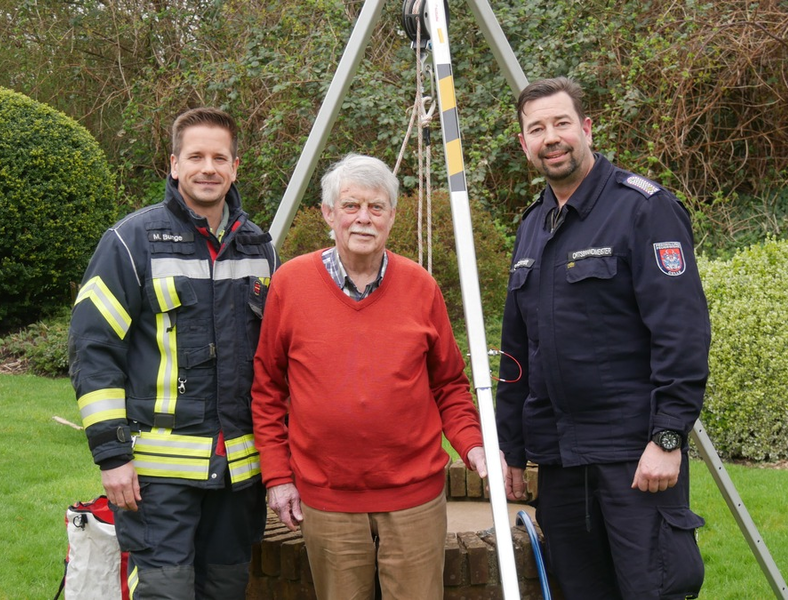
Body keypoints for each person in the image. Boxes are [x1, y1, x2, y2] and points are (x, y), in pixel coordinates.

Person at [496, 77, 711, 600]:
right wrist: (511, 450)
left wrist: (667, 438)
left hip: (634, 458)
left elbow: (680, 333)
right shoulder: (532, 228)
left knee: (652, 590)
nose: (551, 137)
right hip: (562, 464)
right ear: (525, 143)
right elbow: (517, 353)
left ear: (587, 128)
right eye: (537, 128)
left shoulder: (643, 209)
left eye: (562, 123)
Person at [251, 153, 491, 600]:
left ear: (392, 217)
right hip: (328, 500)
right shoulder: (290, 284)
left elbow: (449, 385)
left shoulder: (421, 286)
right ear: (328, 213)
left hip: (415, 498)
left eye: (376, 207)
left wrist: (473, 445)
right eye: (350, 206)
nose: (364, 218)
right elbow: (268, 390)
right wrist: (279, 477)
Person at [68, 107, 279, 599]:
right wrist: (112, 455)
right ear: (174, 164)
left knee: (226, 588)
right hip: (155, 477)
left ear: (235, 167)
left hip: (238, 474)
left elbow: (277, 360)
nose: (208, 167)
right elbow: (93, 349)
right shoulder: (131, 241)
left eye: (219, 157)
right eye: (196, 156)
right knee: (166, 591)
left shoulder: (260, 248)